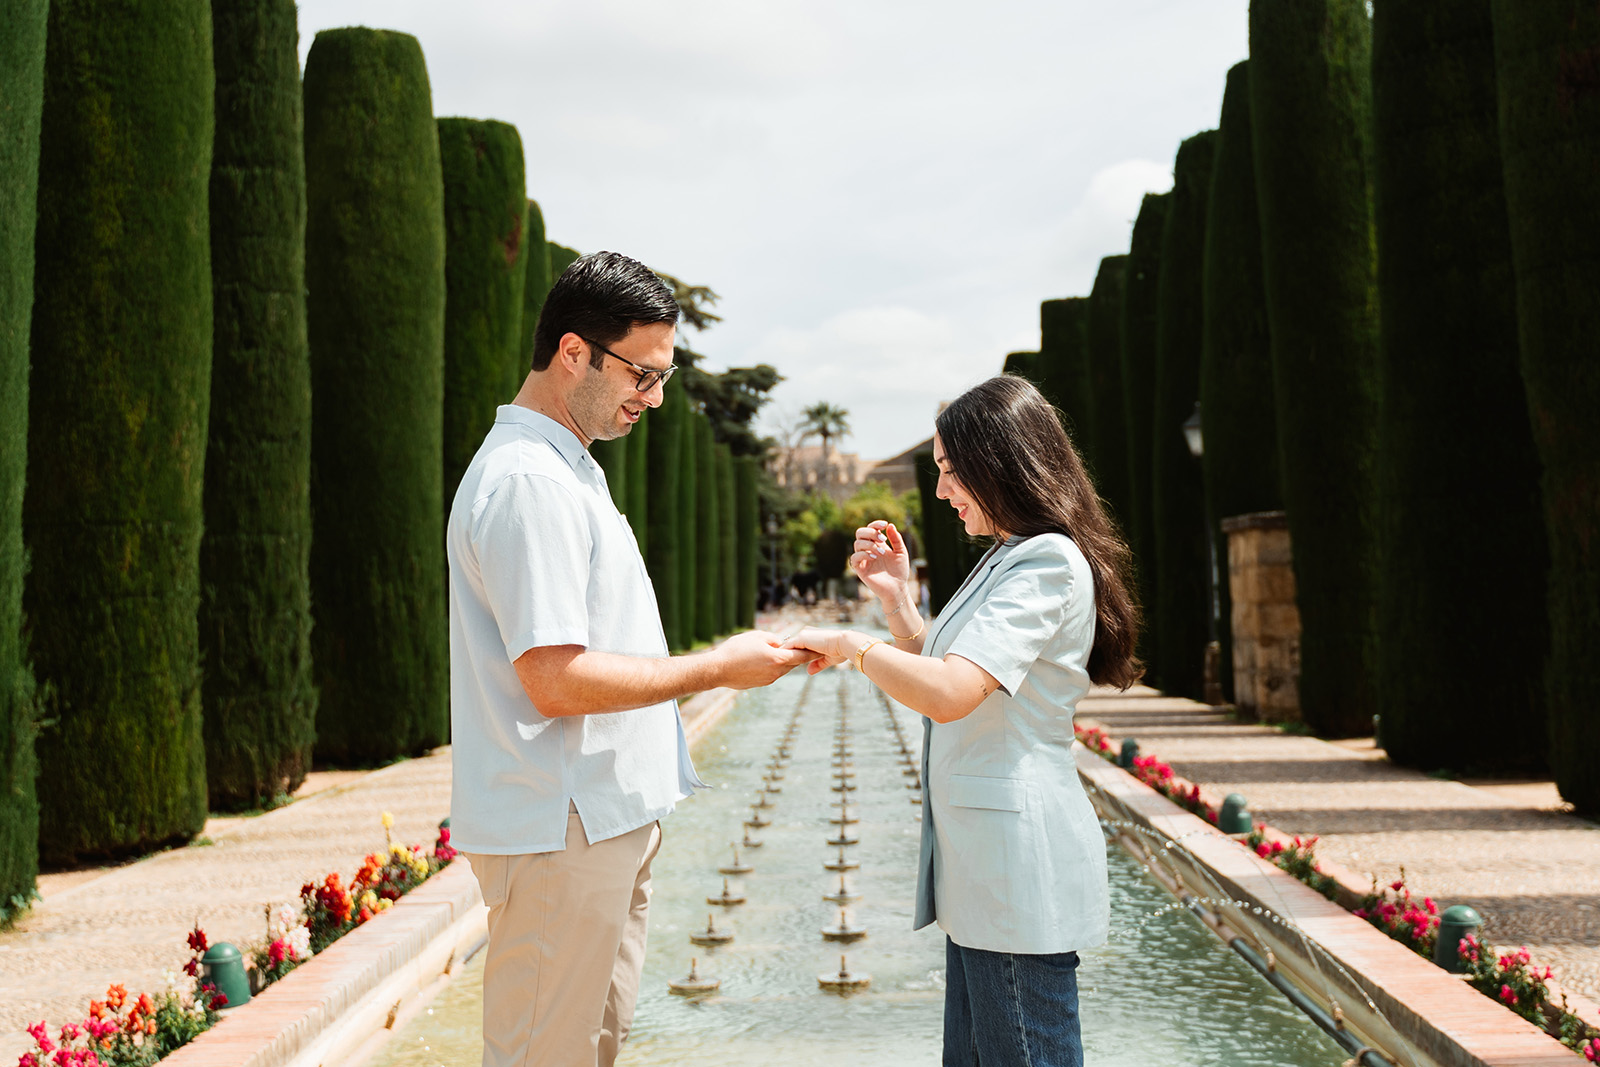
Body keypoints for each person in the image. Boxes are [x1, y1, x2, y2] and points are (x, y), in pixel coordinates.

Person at [447, 251, 816, 1067]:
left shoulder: (567, 470)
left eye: (663, 377)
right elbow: (553, 678)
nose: (652, 397)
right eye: (641, 375)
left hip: (594, 821)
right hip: (561, 827)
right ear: (573, 351)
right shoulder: (531, 483)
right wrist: (716, 667)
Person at [784, 374, 1142, 1067]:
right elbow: (950, 665)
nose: (943, 490)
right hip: (986, 872)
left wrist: (851, 645)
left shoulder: (1044, 560)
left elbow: (951, 693)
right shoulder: (1008, 556)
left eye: (951, 472)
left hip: (1013, 873)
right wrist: (895, 603)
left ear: (998, 463)